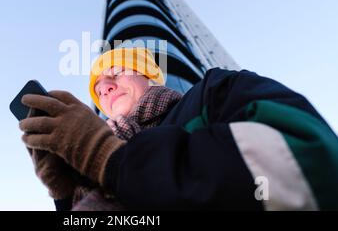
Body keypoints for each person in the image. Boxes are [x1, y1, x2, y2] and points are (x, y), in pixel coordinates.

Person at [19, 47, 338, 210]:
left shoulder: (216, 92)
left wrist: (112, 160)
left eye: (116, 71)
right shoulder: (89, 176)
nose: (105, 86)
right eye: (98, 87)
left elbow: (309, 163)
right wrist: (65, 196)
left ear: (147, 75)